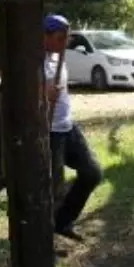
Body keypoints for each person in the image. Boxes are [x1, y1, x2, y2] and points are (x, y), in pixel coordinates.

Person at [42, 13, 104, 241]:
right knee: (52, 189)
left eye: (66, 38)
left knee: (92, 173)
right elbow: (20, 94)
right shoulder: (32, 62)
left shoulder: (59, 57)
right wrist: (41, 92)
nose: (64, 43)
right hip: (48, 132)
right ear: (44, 37)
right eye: (60, 38)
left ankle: (62, 221)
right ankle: (44, 240)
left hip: (67, 127)